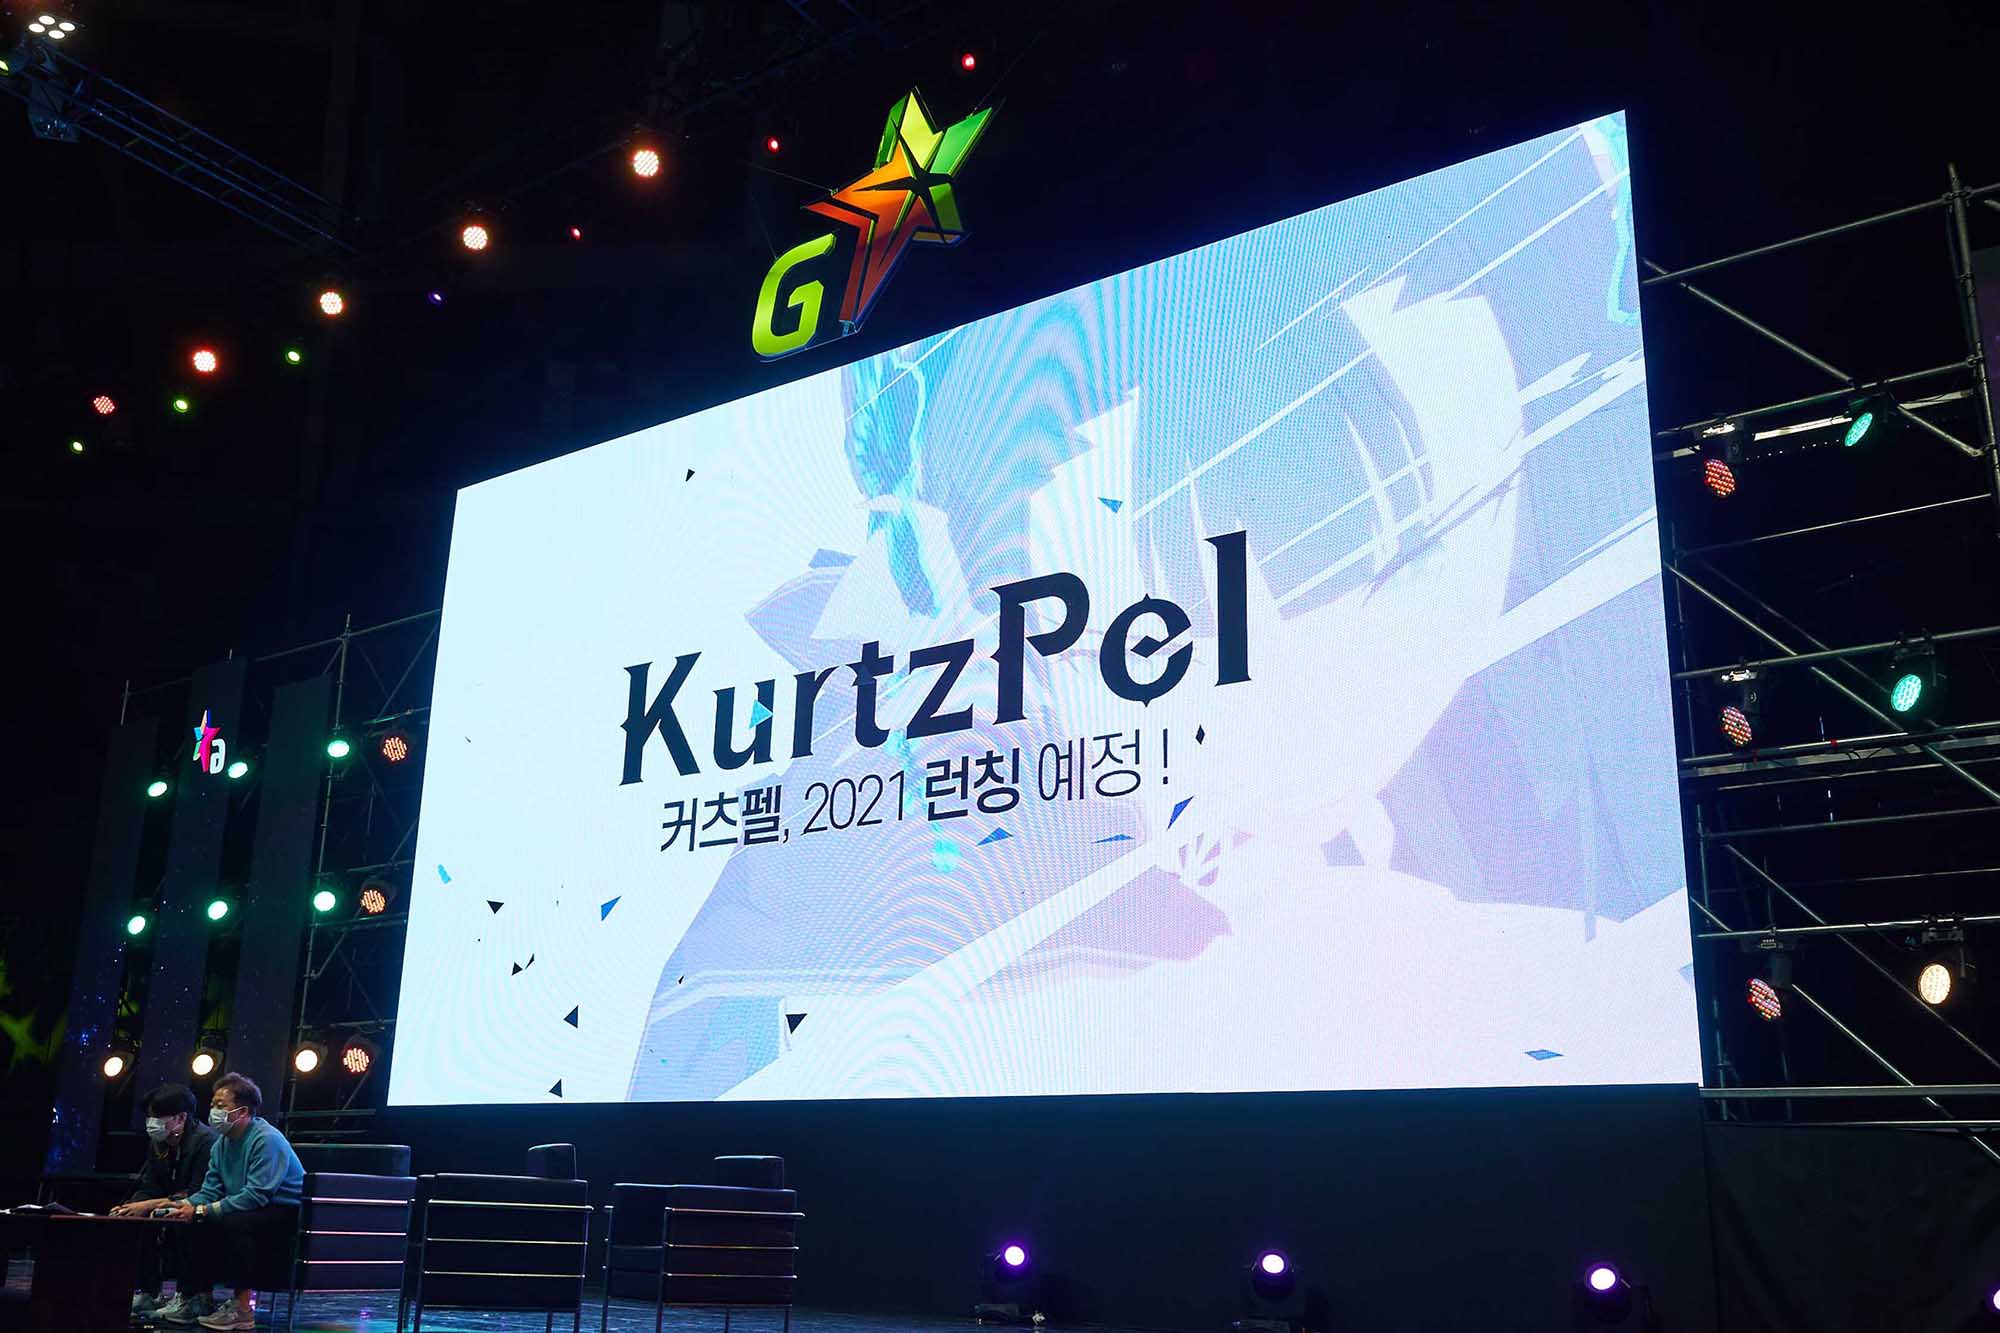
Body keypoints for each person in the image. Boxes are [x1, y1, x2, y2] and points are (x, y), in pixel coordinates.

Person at [158, 1072, 305, 1330]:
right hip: (248, 1206)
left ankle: (242, 1308)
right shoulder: (222, 1144)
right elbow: (210, 1190)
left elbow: (257, 1194)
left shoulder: (266, 1139)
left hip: (284, 1210)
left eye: (221, 1105)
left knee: (236, 1222)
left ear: (242, 1111)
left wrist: (202, 1210)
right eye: (212, 1104)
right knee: (188, 1220)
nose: (213, 1111)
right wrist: (186, 1206)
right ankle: (200, 1299)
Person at [109, 1084, 217, 1317]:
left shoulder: (206, 1141)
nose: (151, 1122)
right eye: (149, 1116)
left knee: (183, 1220)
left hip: (199, 1206)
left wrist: (149, 1205)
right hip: (167, 1202)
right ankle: (147, 1292)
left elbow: (199, 1191)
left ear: (181, 1118)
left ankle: (190, 1297)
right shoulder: (158, 1143)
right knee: (134, 1219)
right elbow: (150, 1185)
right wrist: (130, 1207)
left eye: (158, 1117)